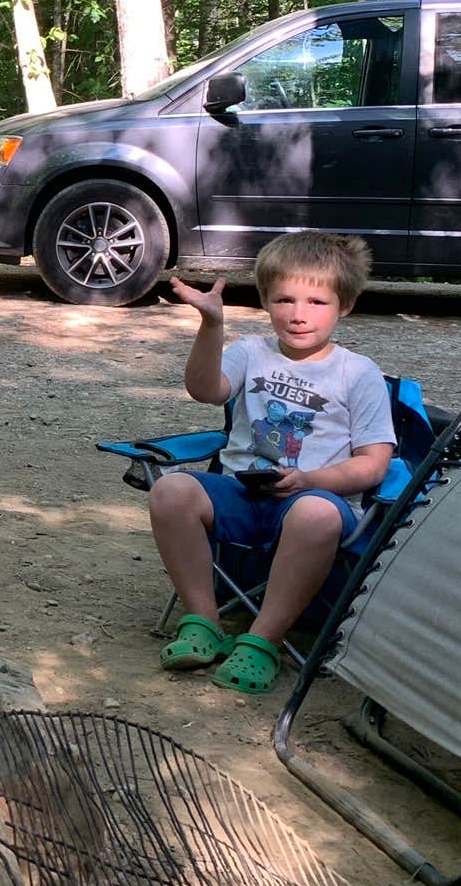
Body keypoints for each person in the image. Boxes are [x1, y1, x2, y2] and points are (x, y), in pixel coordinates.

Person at [150, 232, 395, 695]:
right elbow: (205, 390)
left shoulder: (357, 373)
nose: (298, 314)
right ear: (265, 299)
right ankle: (203, 620)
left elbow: (373, 465)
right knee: (170, 490)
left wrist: (310, 479)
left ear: (346, 305)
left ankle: (264, 639)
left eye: (317, 301)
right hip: (243, 490)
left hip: (313, 500)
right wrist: (211, 327)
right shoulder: (251, 352)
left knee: (317, 512)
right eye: (284, 299)